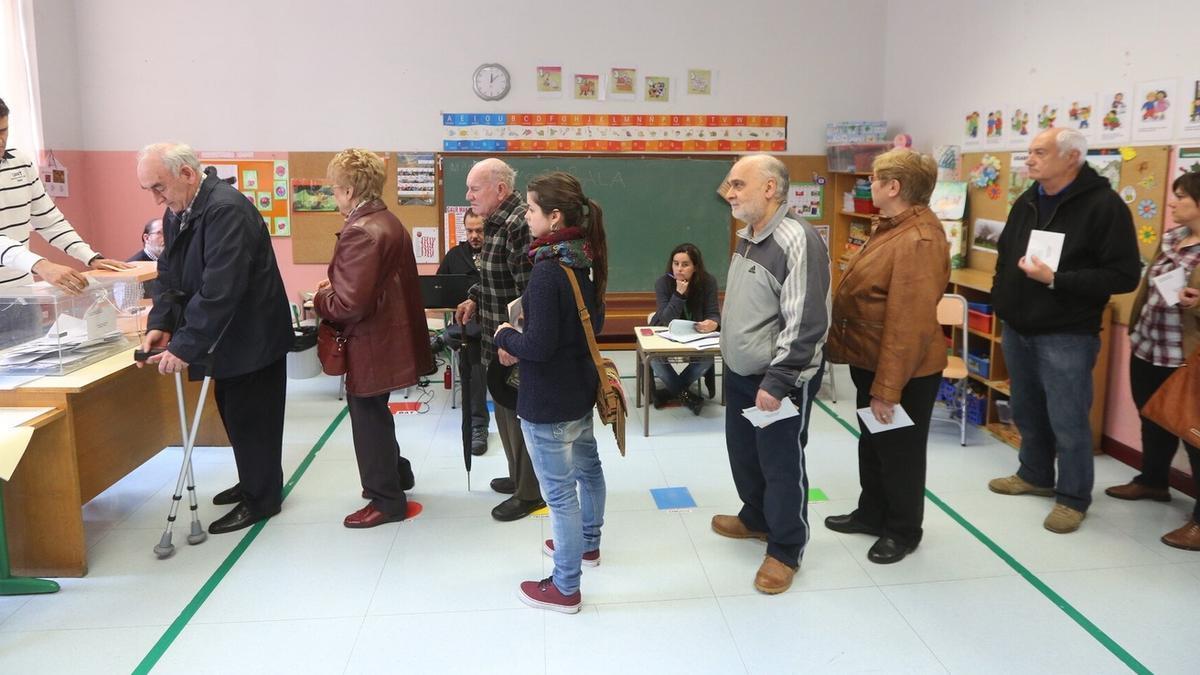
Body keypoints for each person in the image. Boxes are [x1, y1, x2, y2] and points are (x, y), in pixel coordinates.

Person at [987, 128, 1141, 533]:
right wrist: (1001, 298)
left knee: (1069, 419)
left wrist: (1057, 280)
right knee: (1026, 409)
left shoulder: (1104, 206)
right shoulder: (1027, 200)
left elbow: (1124, 275)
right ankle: (1035, 475)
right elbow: (1006, 255)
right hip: (1019, 325)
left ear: (1071, 157)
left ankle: (1073, 498)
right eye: (1029, 151)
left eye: (1040, 152)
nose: (1030, 159)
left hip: (1067, 332)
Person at [135, 142, 293, 535]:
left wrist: (185, 346)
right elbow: (170, 276)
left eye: (160, 187)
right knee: (235, 415)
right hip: (226, 338)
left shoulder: (226, 210)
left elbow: (220, 289)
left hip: (252, 335)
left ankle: (263, 499)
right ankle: (255, 481)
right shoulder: (179, 212)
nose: (156, 198)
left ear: (187, 174)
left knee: (254, 418)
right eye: (149, 190)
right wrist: (162, 322)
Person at [824, 149, 950, 564]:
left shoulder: (919, 239)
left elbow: (908, 325)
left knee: (900, 454)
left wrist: (888, 389)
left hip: (903, 372)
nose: (870, 187)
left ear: (893, 188)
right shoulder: (893, 226)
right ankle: (872, 513)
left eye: (874, 180)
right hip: (873, 362)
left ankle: (902, 530)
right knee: (875, 445)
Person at [712, 154, 830, 595]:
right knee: (745, 454)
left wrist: (778, 382)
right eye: (730, 184)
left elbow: (807, 321)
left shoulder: (797, 240)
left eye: (739, 184)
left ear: (770, 188)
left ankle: (785, 548)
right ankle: (756, 518)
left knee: (781, 464)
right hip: (743, 373)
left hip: (777, 381)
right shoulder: (749, 235)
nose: (730, 192)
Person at [494, 171, 608, 614]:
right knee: (588, 470)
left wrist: (506, 335)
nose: (526, 215)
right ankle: (588, 546)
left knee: (559, 495)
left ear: (555, 216)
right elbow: (590, 326)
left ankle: (565, 587)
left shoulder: (546, 272)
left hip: (547, 402)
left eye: (531, 208)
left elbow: (536, 347)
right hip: (579, 392)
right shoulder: (584, 258)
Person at [314, 149, 433, 528]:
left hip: (371, 341)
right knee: (376, 414)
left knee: (367, 417)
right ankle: (397, 476)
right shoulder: (387, 220)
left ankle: (386, 500)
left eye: (334, 190)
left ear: (349, 190)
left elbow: (348, 304)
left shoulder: (360, 231)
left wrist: (321, 296)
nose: (334, 197)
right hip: (388, 336)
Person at [1104, 171, 1200, 551]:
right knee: (1151, 417)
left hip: (1187, 356)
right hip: (1149, 345)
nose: (1172, 202)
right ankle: (1154, 480)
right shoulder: (1173, 238)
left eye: (1180, 197)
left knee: (1194, 435)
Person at [454, 158, 544, 522]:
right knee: (504, 413)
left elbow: (528, 292)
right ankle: (517, 475)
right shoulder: (493, 223)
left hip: (512, 344)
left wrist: (516, 342)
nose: (468, 195)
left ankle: (530, 492)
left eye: (475, 189)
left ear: (500, 190)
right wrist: (474, 296)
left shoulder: (518, 224)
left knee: (519, 417)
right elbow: (495, 278)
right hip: (496, 337)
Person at [0, 97, 129, 292]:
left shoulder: (20, 162)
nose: (1, 140)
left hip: (21, 291)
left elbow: (49, 220)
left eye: (3, 130)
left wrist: (90, 257)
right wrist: (42, 265)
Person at [438, 209, 489, 455]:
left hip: (494, 323)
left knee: (462, 338)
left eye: (479, 230)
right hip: (468, 327)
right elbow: (438, 288)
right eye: (469, 230)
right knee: (472, 354)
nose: (474, 235)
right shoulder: (455, 256)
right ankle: (478, 426)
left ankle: (445, 338)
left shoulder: (498, 254)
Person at [649, 243, 720, 414]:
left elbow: (714, 313)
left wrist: (713, 323)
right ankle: (686, 395)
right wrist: (678, 295)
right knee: (653, 358)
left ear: (695, 267)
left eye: (685, 264)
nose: (679, 269)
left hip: (695, 335)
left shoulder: (708, 282)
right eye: (676, 263)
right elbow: (666, 320)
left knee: (708, 359)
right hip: (667, 334)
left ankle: (670, 392)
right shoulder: (663, 283)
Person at [127, 218, 164, 299]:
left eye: (168, 232)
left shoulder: (172, 261)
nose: (167, 237)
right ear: (146, 238)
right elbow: (129, 304)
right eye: (160, 233)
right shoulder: (131, 267)